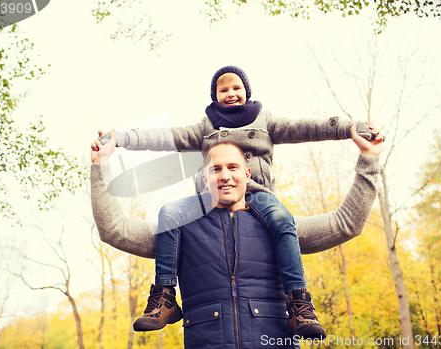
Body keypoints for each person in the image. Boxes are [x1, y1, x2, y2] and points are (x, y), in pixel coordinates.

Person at [92, 65, 382, 339]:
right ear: (204, 176)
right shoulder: (183, 229)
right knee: (169, 211)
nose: (225, 176)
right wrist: (118, 143)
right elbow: (165, 138)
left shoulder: (281, 230)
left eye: (233, 168)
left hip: (265, 203)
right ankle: (165, 295)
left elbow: (306, 131)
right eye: (215, 168)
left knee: (283, 220)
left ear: (246, 171)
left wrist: (352, 136)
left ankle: (298, 302)